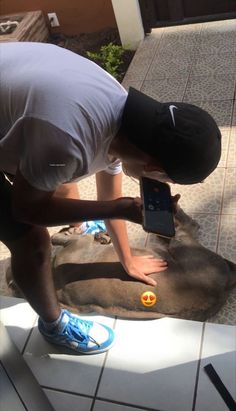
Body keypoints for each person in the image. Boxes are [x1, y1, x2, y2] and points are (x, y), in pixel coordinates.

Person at [0, 42, 221, 354]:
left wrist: (127, 259)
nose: (161, 185)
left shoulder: (125, 120)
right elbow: (24, 208)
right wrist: (120, 208)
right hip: (42, 126)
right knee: (31, 241)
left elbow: (110, 193)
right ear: (154, 167)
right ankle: (54, 325)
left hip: (18, 102)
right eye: (165, 180)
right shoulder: (68, 140)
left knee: (57, 176)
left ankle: (76, 230)